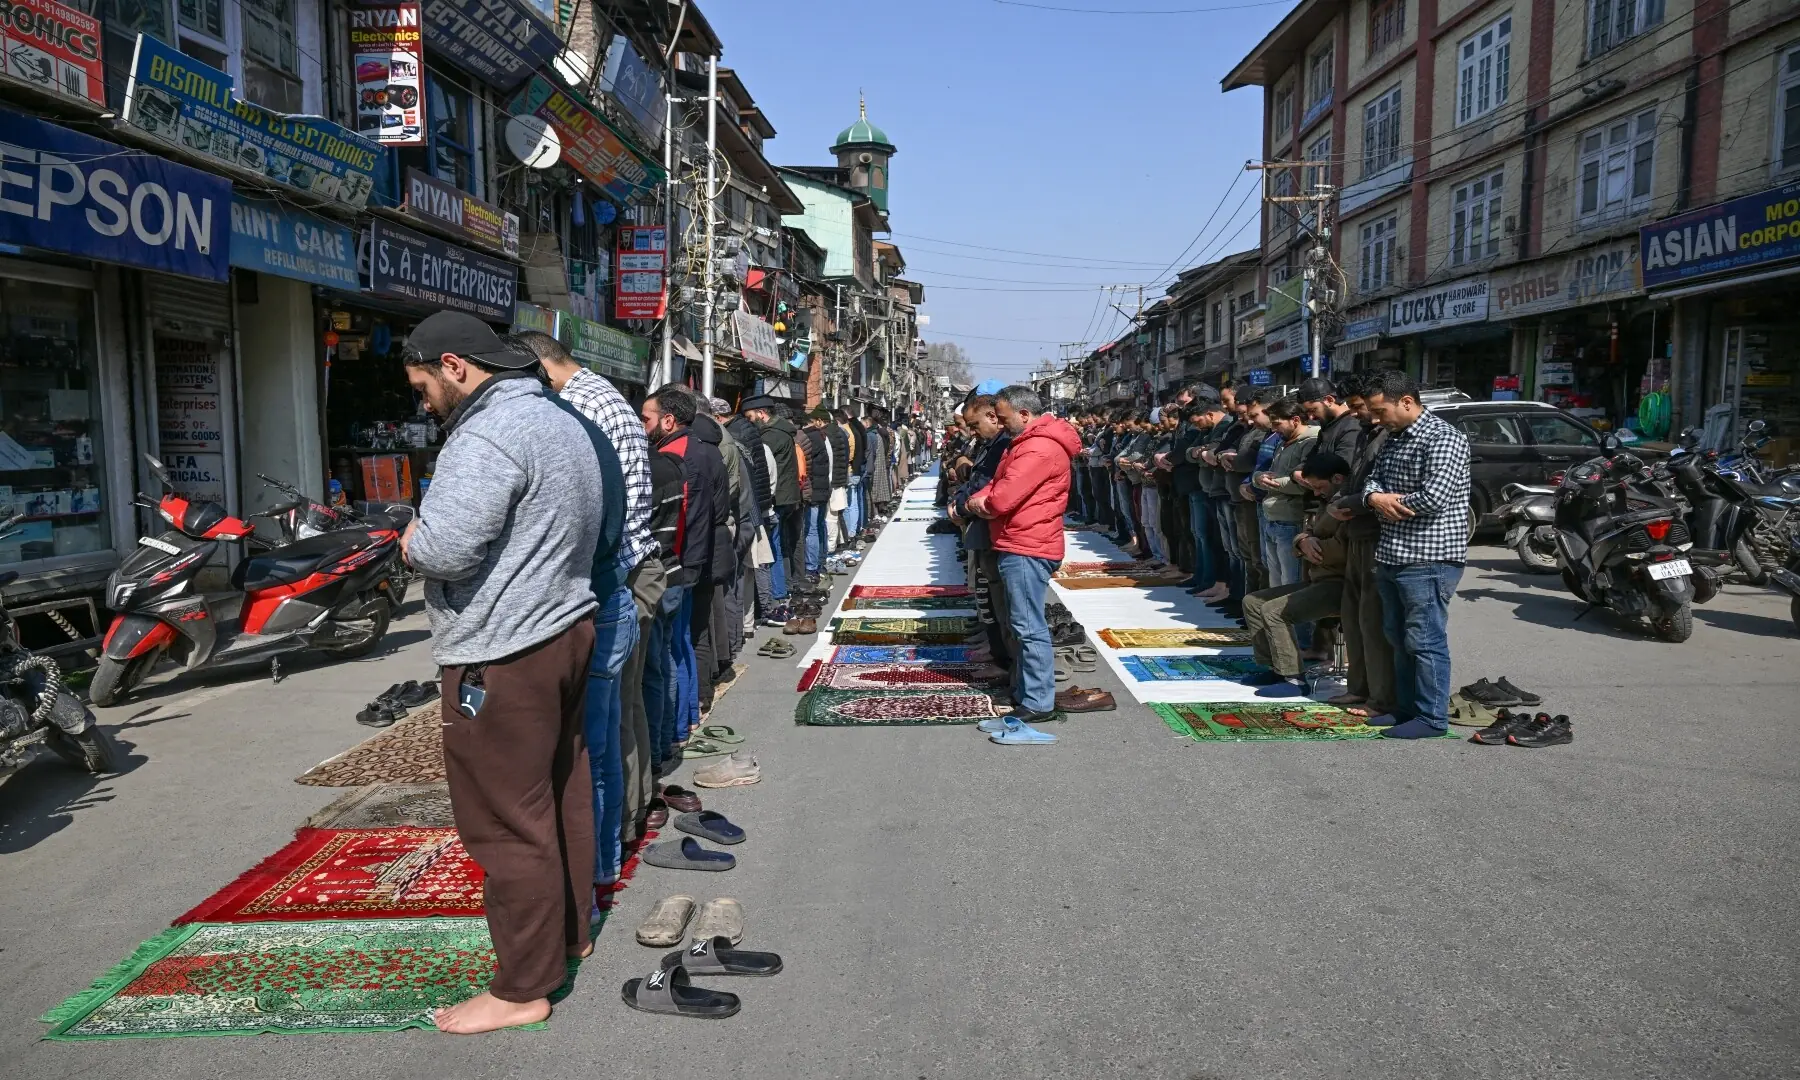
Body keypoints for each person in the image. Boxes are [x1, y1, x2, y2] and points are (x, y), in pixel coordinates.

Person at [397, 312, 602, 1034]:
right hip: (563, 628)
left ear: (454, 366)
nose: (424, 404)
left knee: (507, 821)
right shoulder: (558, 419)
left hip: (503, 648)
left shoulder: (487, 433)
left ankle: (522, 987)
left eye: (424, 386)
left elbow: (446, 548)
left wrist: (410, 542)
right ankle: (568, 936)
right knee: (560, 794)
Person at [516, 331, 652, 898]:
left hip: (608, 582)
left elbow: (597, 511)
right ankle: (611, 847)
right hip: (619, 576)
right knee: (614, 727)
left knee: (593, 745)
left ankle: (596, 866)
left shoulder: (582, 410)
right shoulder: (598, 400)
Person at [1357, 371, 1472, 739]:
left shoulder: (1443, 438)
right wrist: (1376, 498)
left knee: (1424, 640)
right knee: (1397, 636)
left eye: (1380, 410)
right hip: (1393, 553)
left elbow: (1434, 497)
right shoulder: (1393, 437)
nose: (1376, 419)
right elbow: (1372, 482)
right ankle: (1405, 708)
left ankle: (1432, 717)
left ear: (1406, 402)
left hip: (1429, 557)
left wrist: (1389, 500)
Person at [966, 385, 1082, 744]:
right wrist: (982, 498)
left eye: (1002, 418)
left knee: (1028, 625)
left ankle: (1038, 700)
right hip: (1020, 540)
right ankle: (1024, 691)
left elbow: (1001, 497)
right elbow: (997, 486)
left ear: (1024, 414)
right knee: (1019, 622)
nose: (999, 425)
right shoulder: (1025, 443)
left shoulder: (1039, 447)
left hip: (1028, 544)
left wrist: (976, 505)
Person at [1240, 451, 1352, 693]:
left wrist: (1311, 544)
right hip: (1319, 579)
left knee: (1274, 611)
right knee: (1253, 601)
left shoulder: (1347, 505)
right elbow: (1305, 532)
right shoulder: (1324, 502)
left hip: (1341, 584)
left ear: (1337, 479)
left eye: (1319, 486)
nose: (1316, 492)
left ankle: (1293, 679)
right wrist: (1302, 541)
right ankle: (1275, 667)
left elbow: (1343, 549)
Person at [1325, 376, 1394, 717]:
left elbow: (1381, 490)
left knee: (1372, 620)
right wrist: (1339, 500)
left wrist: (1351, 500)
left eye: (1358, 407)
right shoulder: (1366, 434)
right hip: (1354, 533)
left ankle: (1379, 699)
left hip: (1375, 536)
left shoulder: (1387, 435)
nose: (1356, 414)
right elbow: (1356, 479)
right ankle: (1359, 688)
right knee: (1352, 617)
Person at [950, 395, 1015, 673]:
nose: (972, 432)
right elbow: (977, 478)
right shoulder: (990, 443)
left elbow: (987, 483)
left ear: (992, 417)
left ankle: (1002, 658)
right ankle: (994, 645)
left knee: (1002, 600)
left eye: (974, 425)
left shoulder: (1004, 444)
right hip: (983, 522)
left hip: (998, 528)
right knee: (986, 587)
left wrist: (963, 507)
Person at [1252, 397, 1320, 590]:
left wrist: (1270, 483)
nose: (1274, 429)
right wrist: (1258, 477)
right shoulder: (1284, 442)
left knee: (1291, 585)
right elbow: (1269, 471)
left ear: (1295, 420)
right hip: (1272, 518)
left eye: (1277, 424)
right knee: (1276, 582)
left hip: (1291, 522)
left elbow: (1304, 484)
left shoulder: (1311, 442)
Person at [745, 396, 798, 625]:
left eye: (750, 417)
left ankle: (775, 595)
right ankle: (780, 590)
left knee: (770, 552)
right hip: (785, 495)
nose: (749, 422)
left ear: (761, 413)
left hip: (774, 502)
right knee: (778, 546)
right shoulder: (783, 432)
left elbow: (767, 474)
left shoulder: (768, 438)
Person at [1181, 398, 1231, 601]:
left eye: (1198, 421)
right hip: (1208, 489)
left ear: (1210, 415)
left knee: (1220, 542)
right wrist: (1200, 452)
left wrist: (1203, 452)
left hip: (1220, 491)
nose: (1196, 426)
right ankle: (1205, 578)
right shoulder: (1206, 430)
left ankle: (1222, 585)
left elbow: (1215, 451)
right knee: (1202, 535)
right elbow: (1189, 453)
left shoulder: (1226, 426)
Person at [800, 409, 834, 585]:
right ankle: (820, 561)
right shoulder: (822, 437)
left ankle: (811, 566)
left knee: (812, 529)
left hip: (815, 491)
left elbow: (808, 468)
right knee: (820, 525)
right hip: (823, 489)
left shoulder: (810, 439)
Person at [1298, 376, 1363, 464]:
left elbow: (1341, 468)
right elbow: (1307, 462)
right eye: (1307, 413)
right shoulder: (1327, 427)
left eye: (1313, 410)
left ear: (1329, 400)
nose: (1311, 417)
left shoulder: (1352, 426)